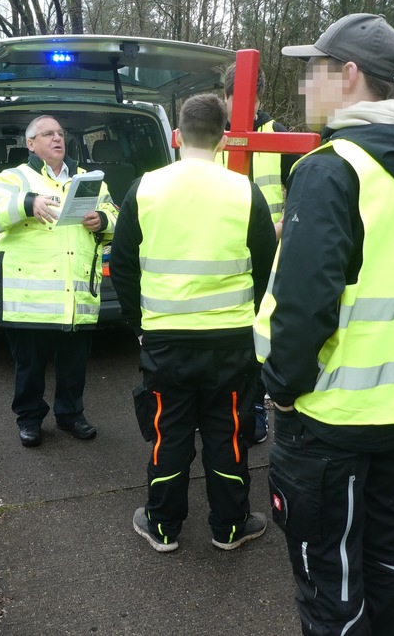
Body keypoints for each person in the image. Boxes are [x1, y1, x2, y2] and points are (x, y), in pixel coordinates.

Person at [254, 14, 394, 635]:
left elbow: (302, 308)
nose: (302, 88)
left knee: (328, 582)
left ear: (347, 77)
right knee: (380, 558)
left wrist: (284, 389)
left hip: (328, 419)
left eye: (311, 73)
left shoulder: (331, 168)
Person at [110, 93, 277, 552]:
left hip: (166, 341)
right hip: (232, 343)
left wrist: (139, 324)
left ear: (177, 135)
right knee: (229, 435)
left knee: (170, 433)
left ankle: (162, 526)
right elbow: (266, 268)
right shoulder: (245, 191)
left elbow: (121, 265)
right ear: (223, 138)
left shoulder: (144, 189)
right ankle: (230, 526)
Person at [0, 115, 117, 448]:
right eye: (48, 133)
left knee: (74, 364)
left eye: (61, 133)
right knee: (29, 367)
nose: (57, 139)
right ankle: (29, 420)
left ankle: (71, 416)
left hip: (76, 294)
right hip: (29, 298)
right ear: (31, 143)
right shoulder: (14, 178)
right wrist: (27, 203)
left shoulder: (88, 180)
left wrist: (103, 220)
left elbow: (117, 216)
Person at [222, 64, 299, 445]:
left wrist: (275, 231)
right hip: (218, 255)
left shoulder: (280, 137)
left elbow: (302, 196)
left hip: (266, 257)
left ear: (260, 99)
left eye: (249, 104)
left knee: (255, 335)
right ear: (224, 98)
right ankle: (221, 406)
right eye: (235, 103)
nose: (242, 113)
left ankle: (253, 407)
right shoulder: (212, 137)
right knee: (222, 332)